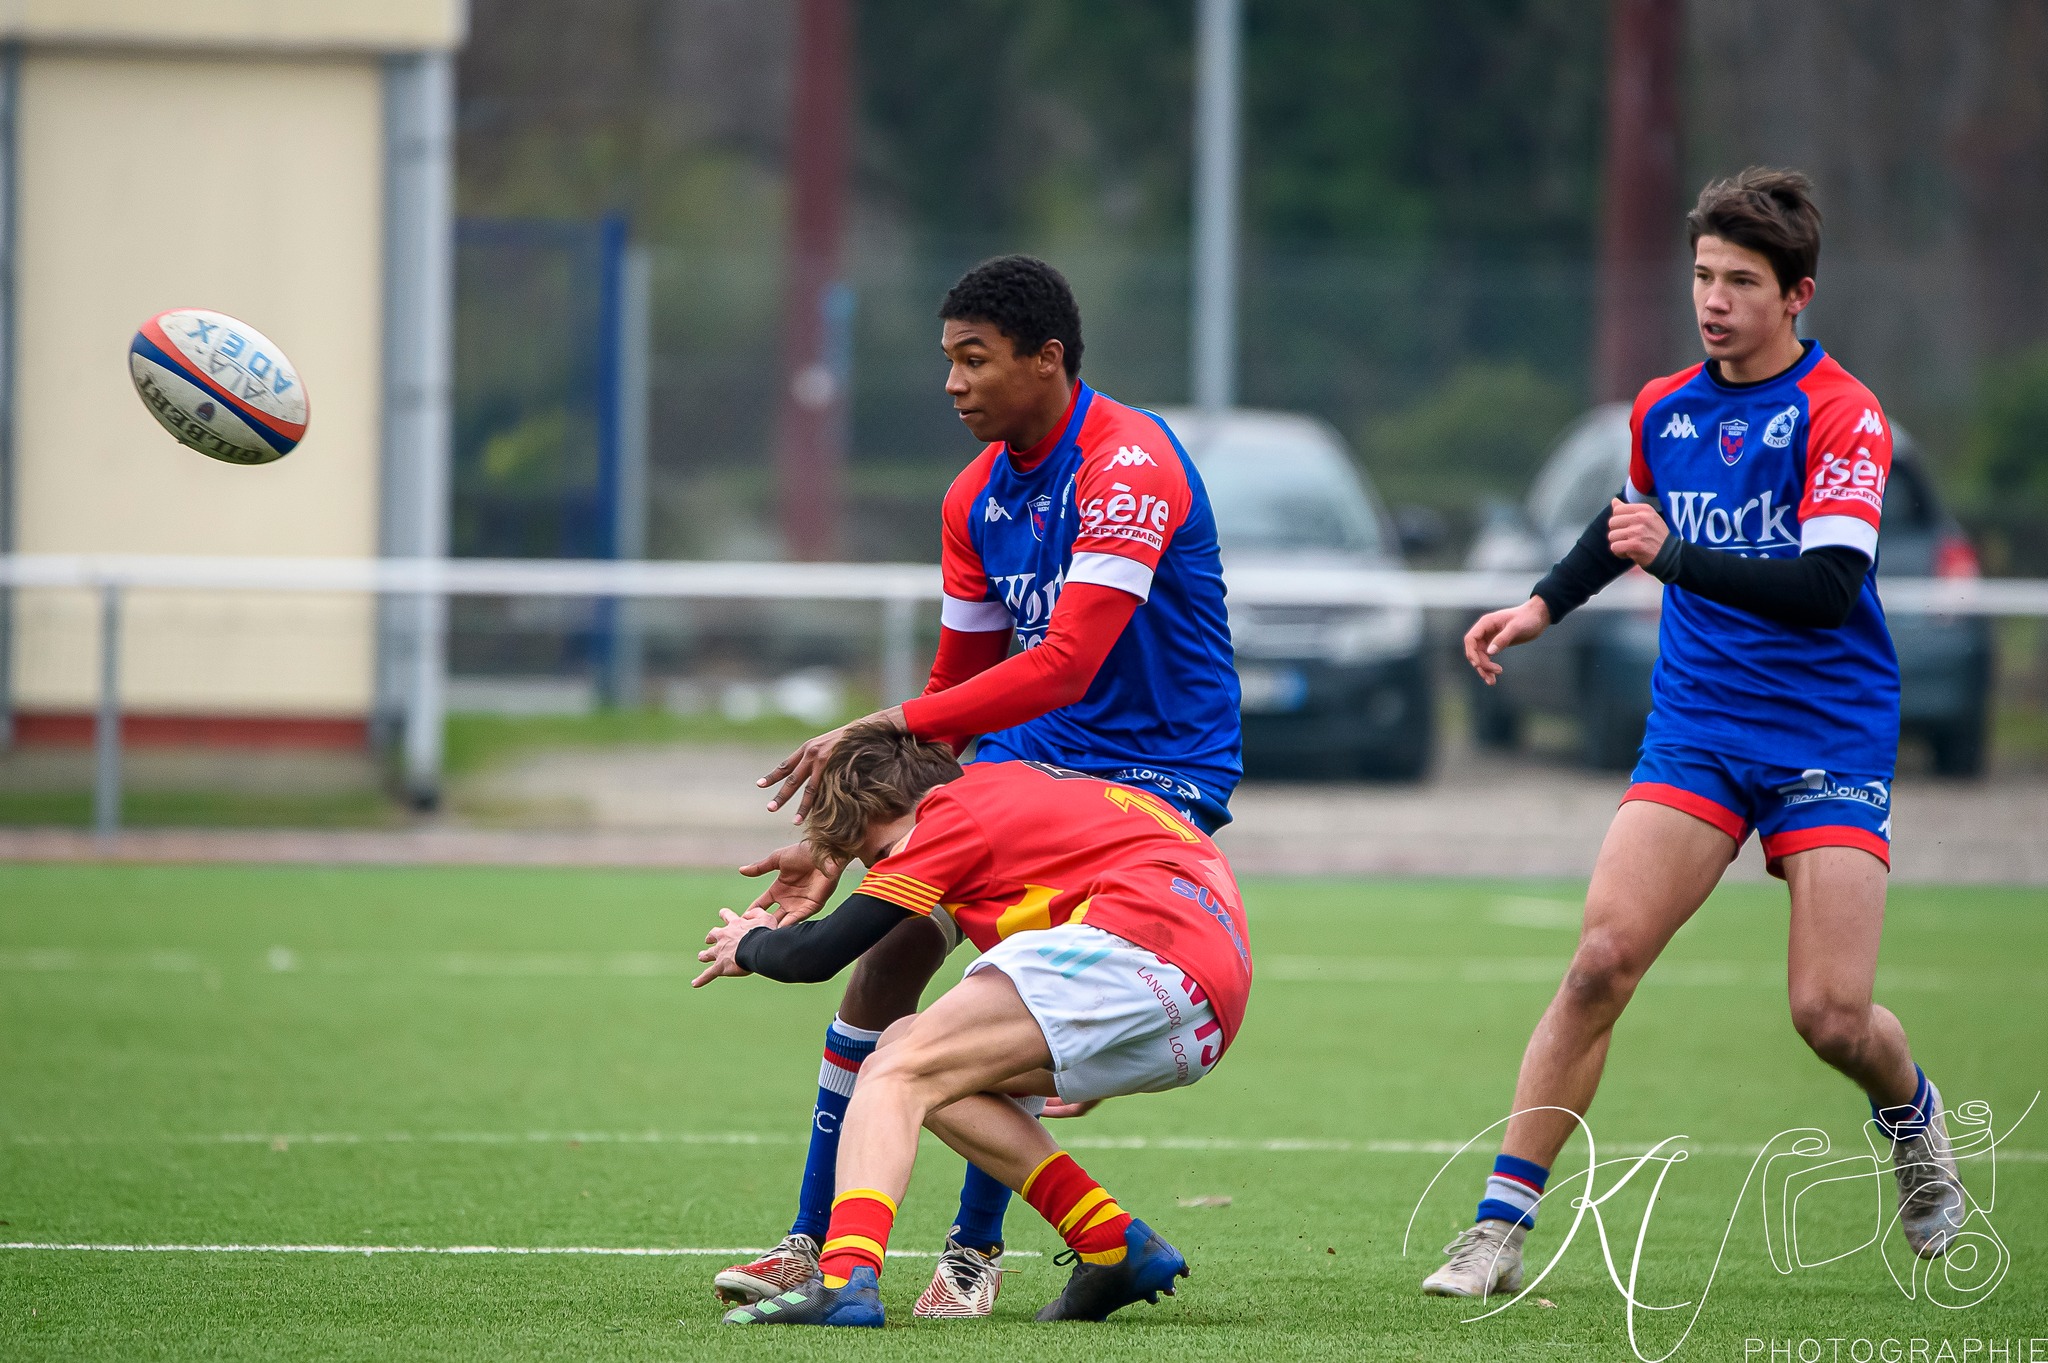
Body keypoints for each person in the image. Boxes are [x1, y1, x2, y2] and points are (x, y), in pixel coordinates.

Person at [1426, 168, 1966, 1299]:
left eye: (1738, 282)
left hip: (1826, 731)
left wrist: (1674, 557)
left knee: (1826, 1014)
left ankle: (1911, 1117)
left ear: (1796, 295)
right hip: (1698, 727)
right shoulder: (1664, 407)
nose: (1712, 300)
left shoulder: (1841, 415)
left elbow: (1825, 586)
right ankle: (1494, 1228)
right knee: (1596, 963)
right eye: (1701, 277)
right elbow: (1620, 522)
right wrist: (1538, 605)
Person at [714, 255, 1242, 1317]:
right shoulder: (974, 496)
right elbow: (955, 686)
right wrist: (836, 840)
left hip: (1153, 771)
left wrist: (871, 722)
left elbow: (1067, 664)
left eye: (973, 360)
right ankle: (812, 1245)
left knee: (996, 998)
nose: (951, 383)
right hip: (1022, 760)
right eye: (945, 360)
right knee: (881, 964)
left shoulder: (1126, 463)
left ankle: (970, 1250)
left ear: (1046, 360)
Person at [693, 723, 1253, 1327]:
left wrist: (748, 943)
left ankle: (844, 1279)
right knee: (912, 1051)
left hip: (1138, 943)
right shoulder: (1010, 791)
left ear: (891, 807)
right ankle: (1112, 1244)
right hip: (1204, 1008)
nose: (888, 871)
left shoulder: (948, 815)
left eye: (879, 854)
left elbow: (814, 956)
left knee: (893, 1073)